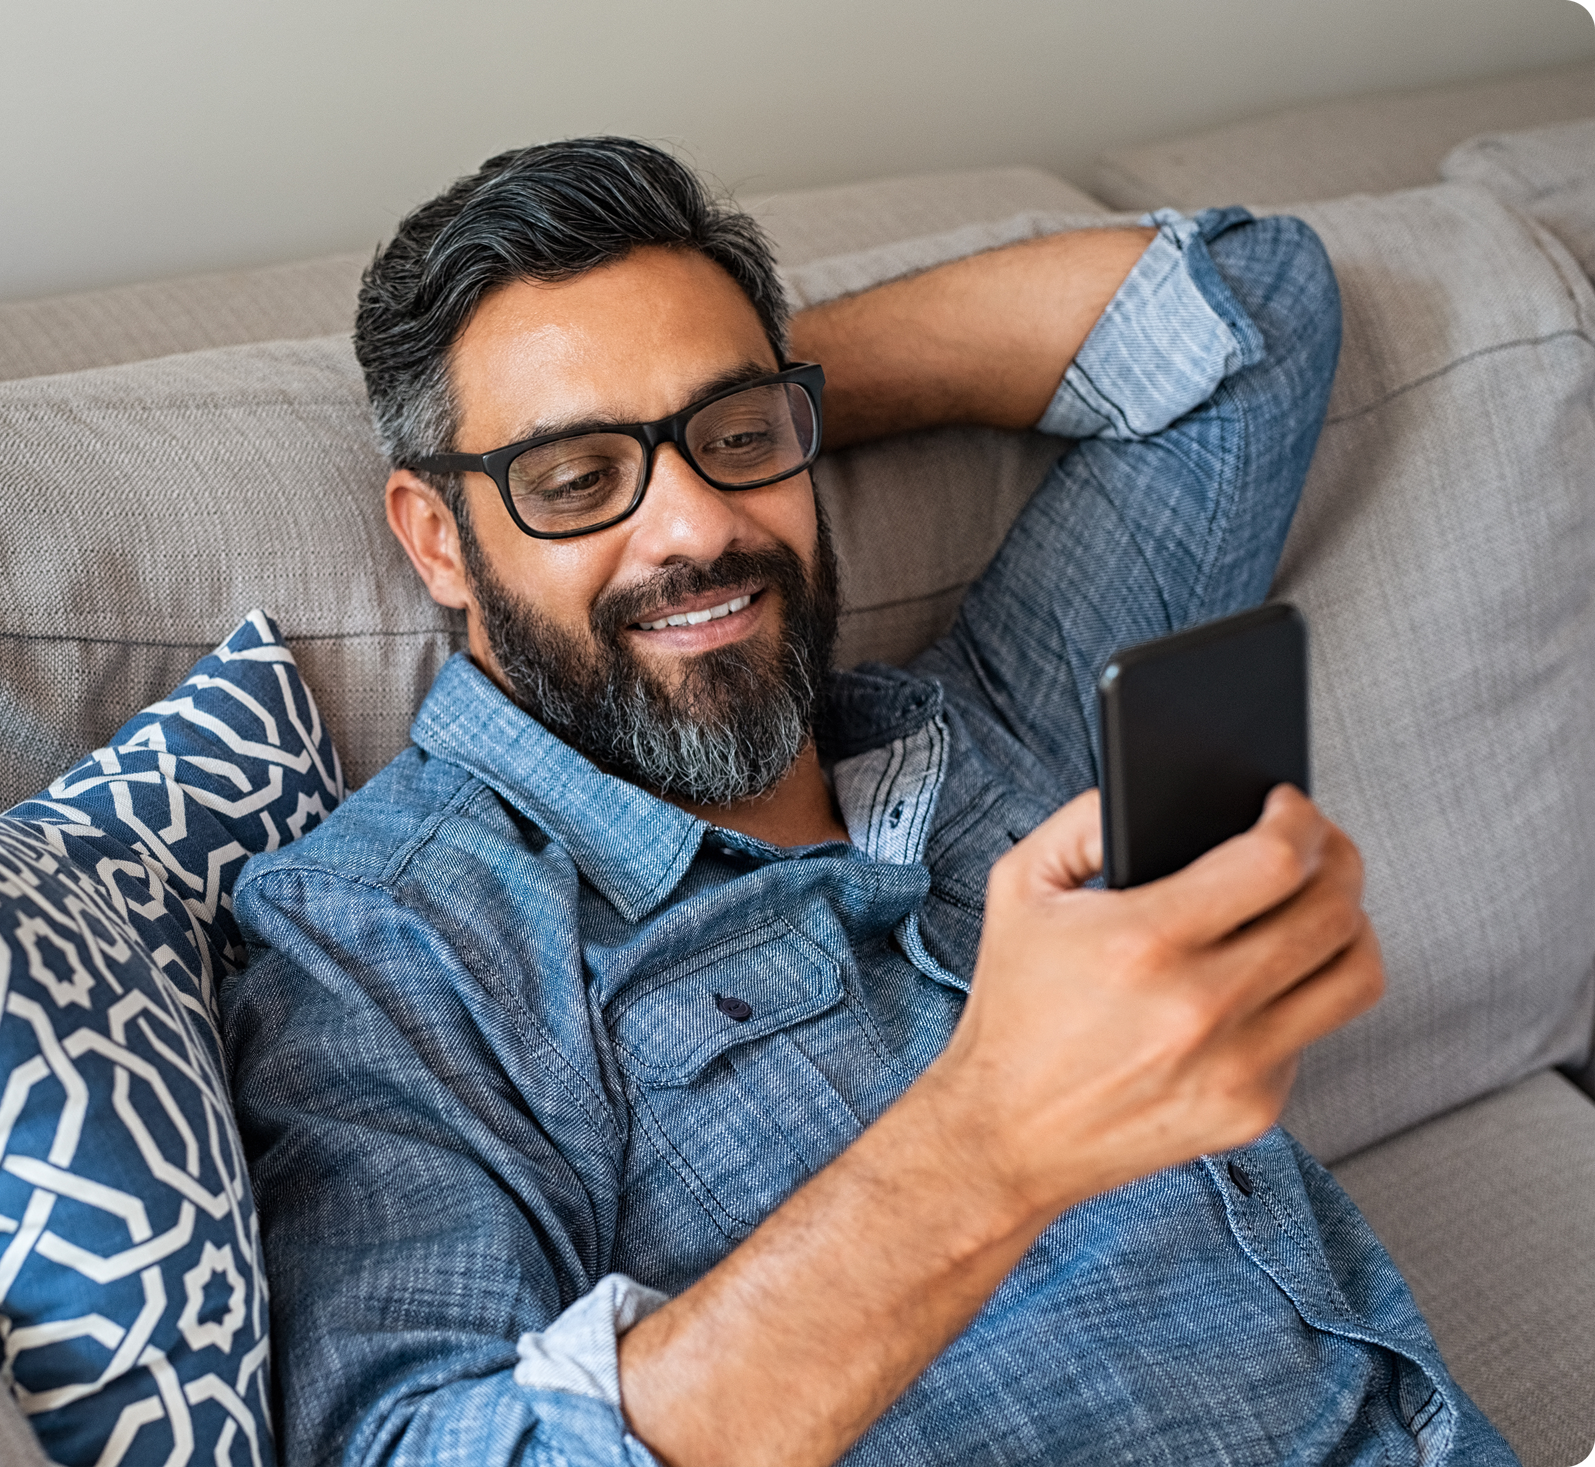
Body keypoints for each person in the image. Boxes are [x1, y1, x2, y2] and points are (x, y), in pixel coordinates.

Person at [221, 137, 1513, 1466]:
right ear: (439, 536)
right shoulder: (390, 934)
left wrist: (760, 393)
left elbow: (1253, 309)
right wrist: (993, 1136)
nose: (693, 530)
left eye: (738, 442)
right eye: (577, 479)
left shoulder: (990, 721)